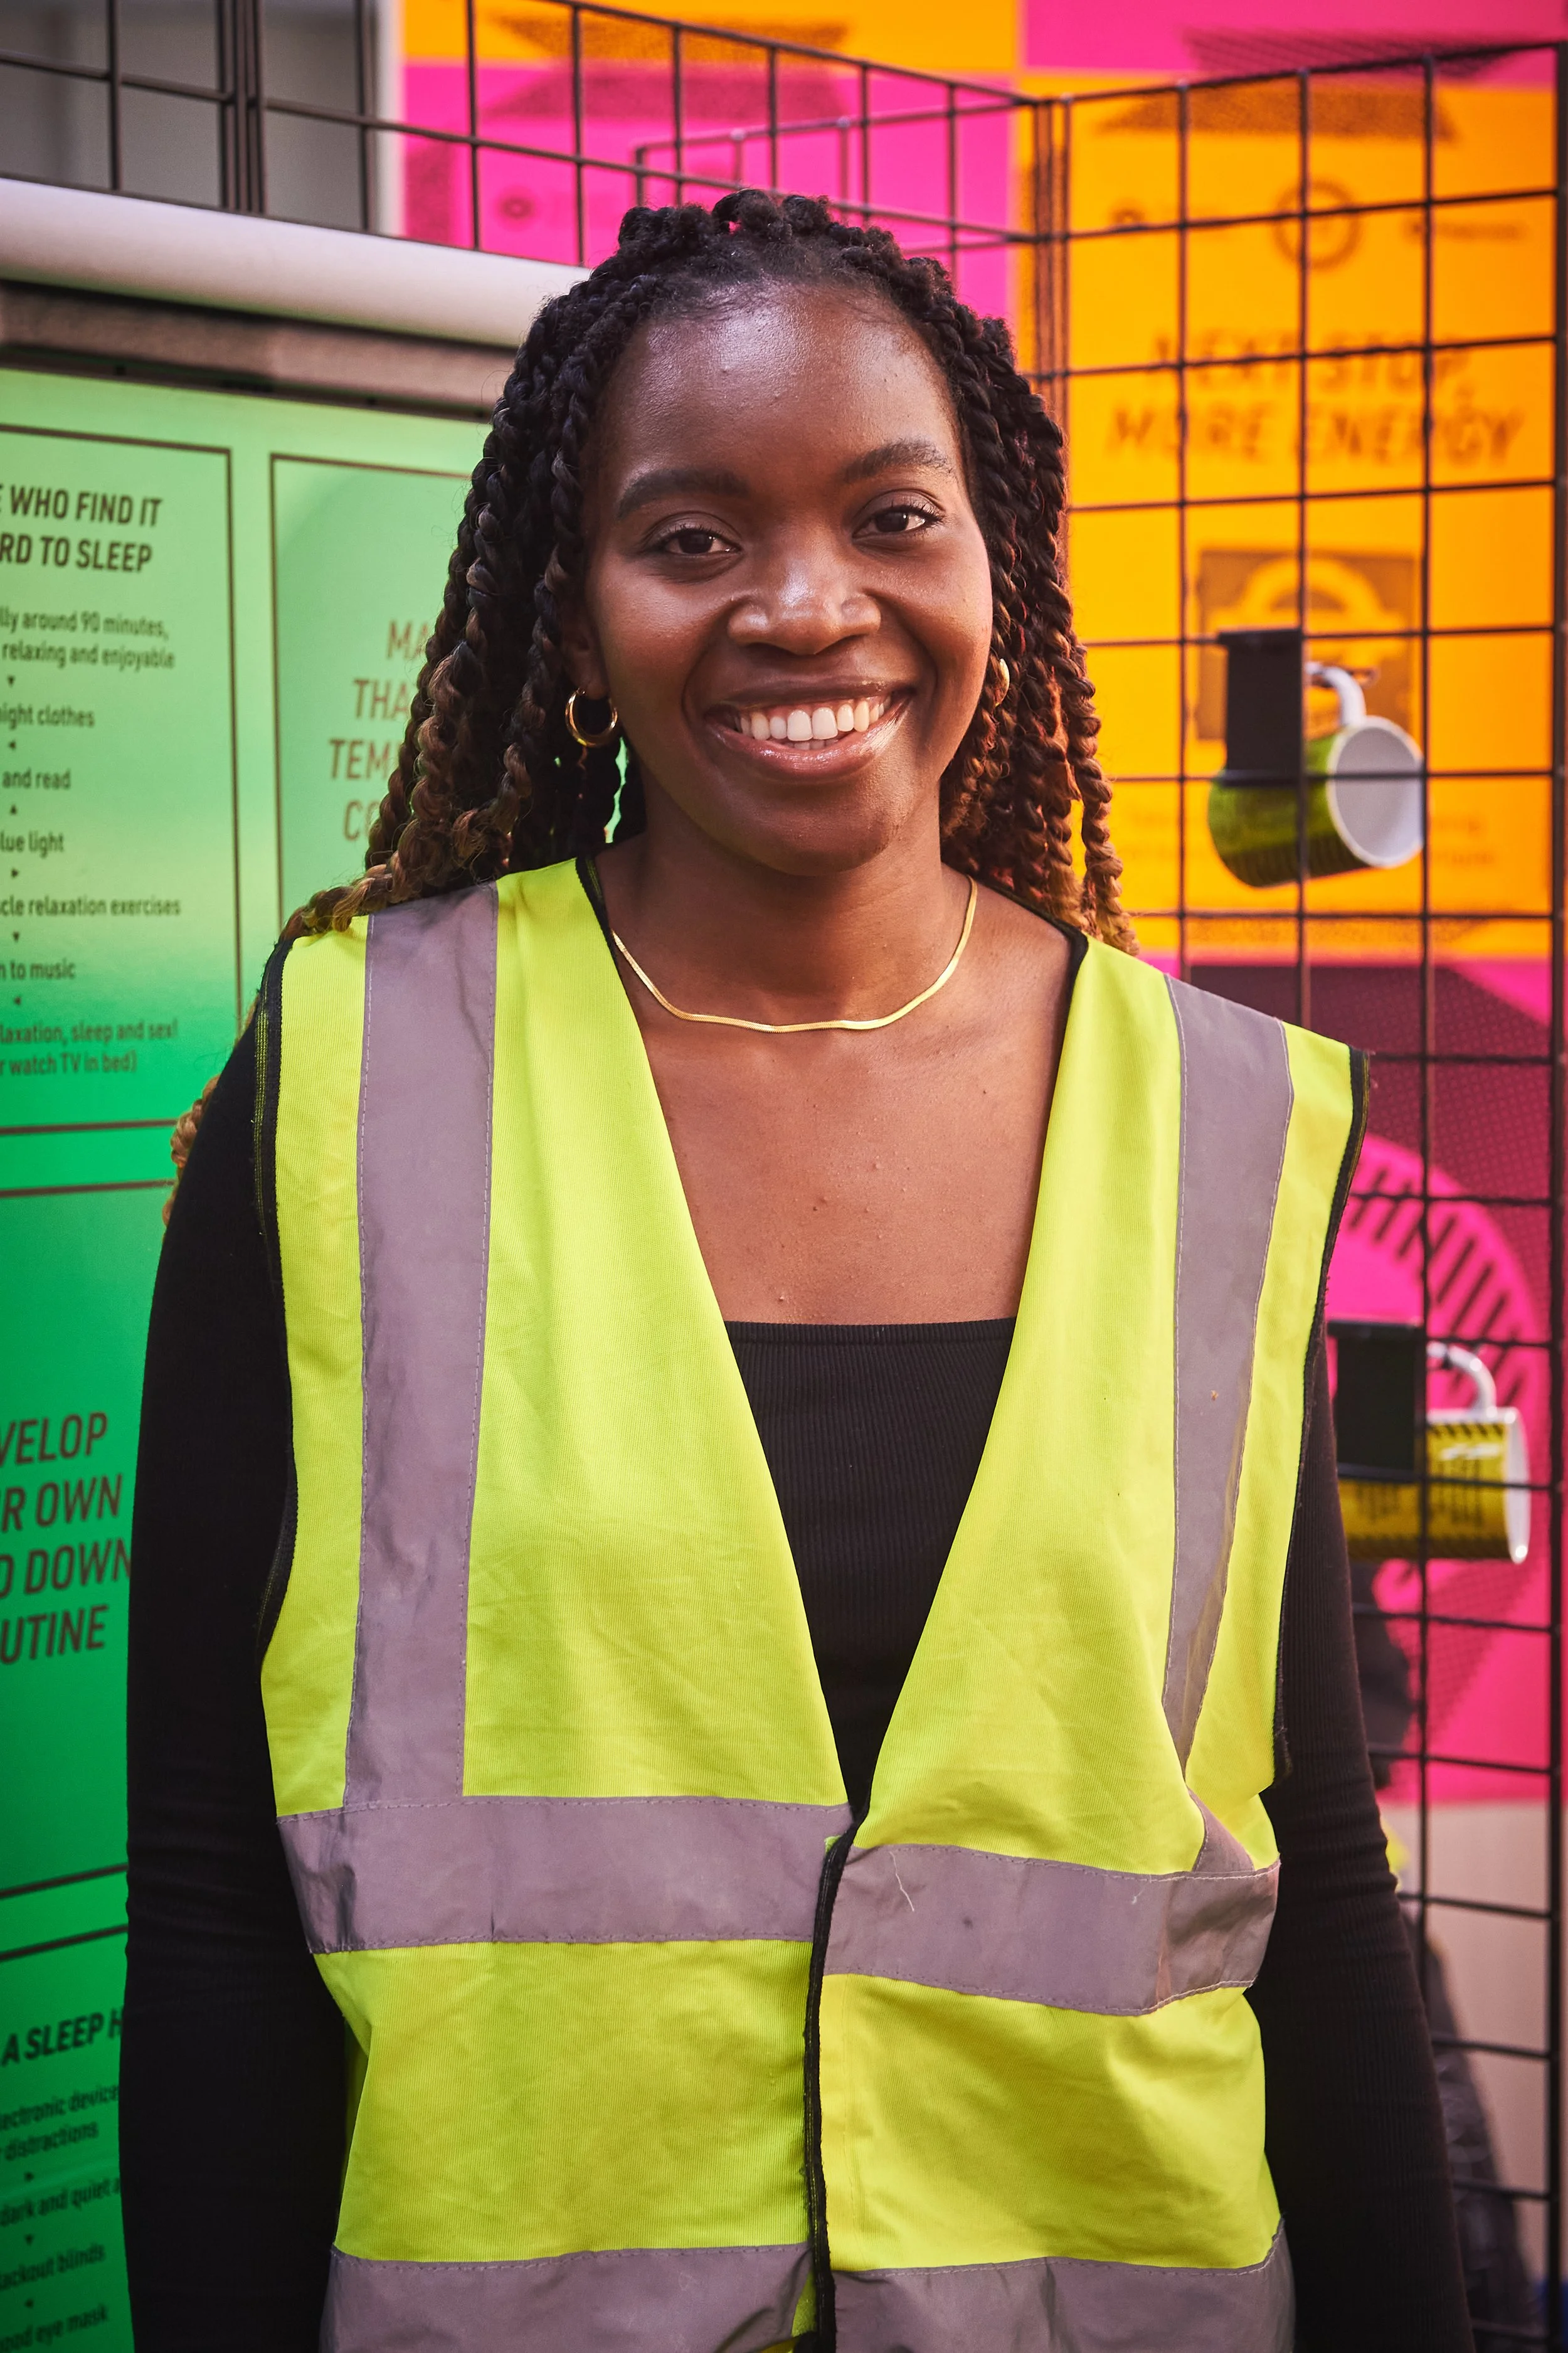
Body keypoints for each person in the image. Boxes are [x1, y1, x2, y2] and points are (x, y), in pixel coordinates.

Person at [121, 191, 1472, 2353]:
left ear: (996, 583)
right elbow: (209, 1891)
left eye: (890, 517)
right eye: (690, 538)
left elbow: (1303, 1882)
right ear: (570, 619)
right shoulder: (347, 1080)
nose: (804, 606)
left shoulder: (1215, 1122)